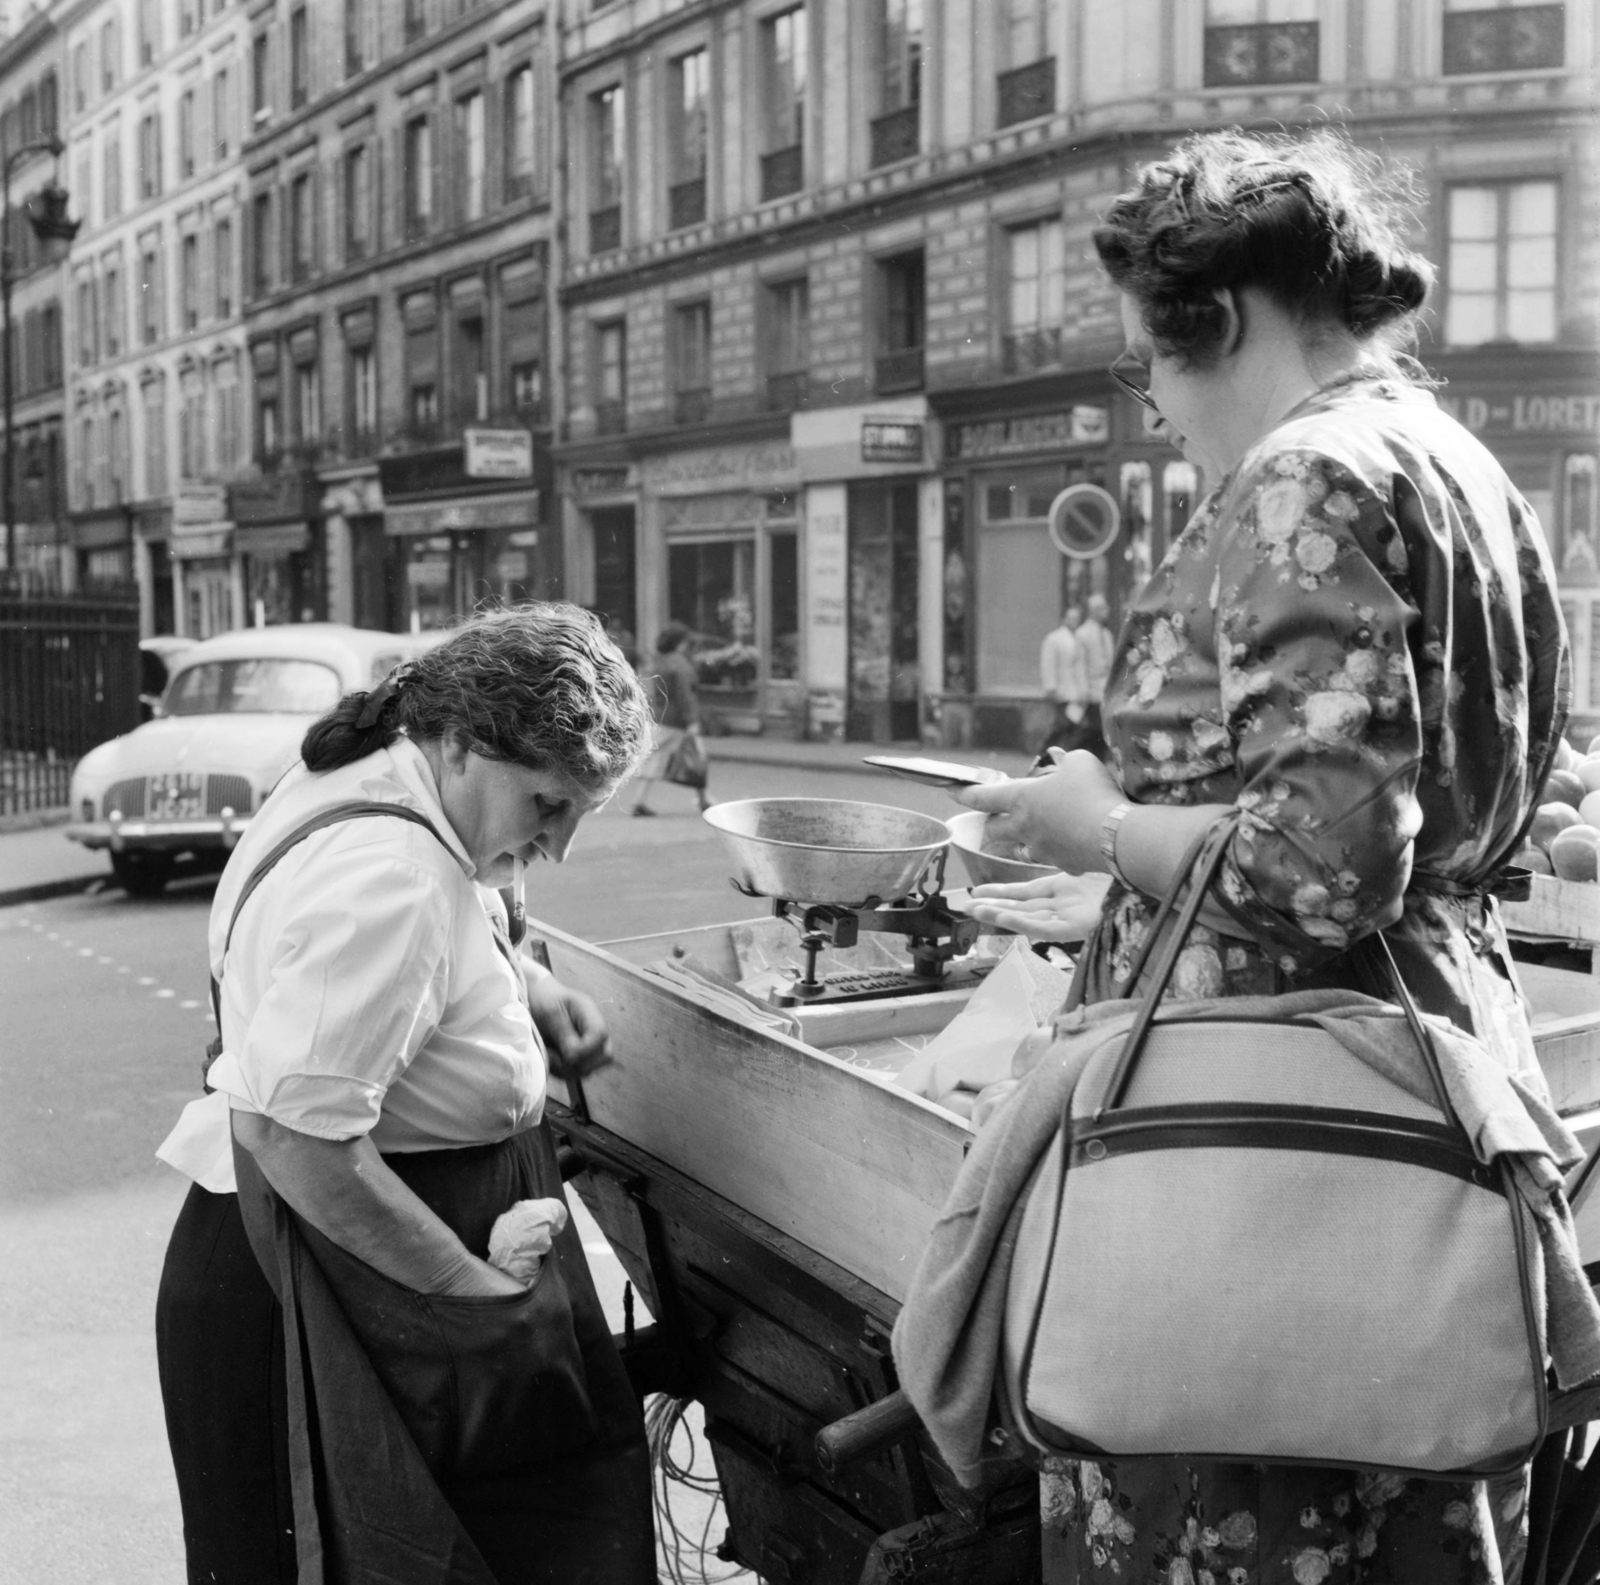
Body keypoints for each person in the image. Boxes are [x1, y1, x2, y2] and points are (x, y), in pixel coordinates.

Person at [961, 128, 1568, 1585]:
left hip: (1265, 1141)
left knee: (1239, 1480)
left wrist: (1097, 819)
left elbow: (1317, 867)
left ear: (1217, 320)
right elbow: (1396, 815)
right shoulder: (1462, 464)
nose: (1158, 406)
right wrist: (1129, 868)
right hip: (1428, 1074)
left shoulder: (1301, 478)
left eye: (1149, 365)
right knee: (1416, 1470)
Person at [154, 604, 657, 1585]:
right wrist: (468, 1296)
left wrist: (528, 986)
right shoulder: (393, 877)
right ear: (465, 743)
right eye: (546, 805)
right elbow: (292, 1137)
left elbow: (459, 918)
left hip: (350, 1257)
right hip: (348, 1273)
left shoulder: (388, 771)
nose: (556, 846)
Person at [632, 621, 711, 816]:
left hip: (661, 714)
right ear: (680, 643)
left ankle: (703, 798)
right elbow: (685, 695)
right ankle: (639, 802)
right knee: (696, 757)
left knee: (687, 755)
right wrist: (691, 720)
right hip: (676, 720)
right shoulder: (680, 664)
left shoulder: (660, 661)